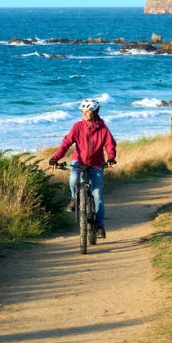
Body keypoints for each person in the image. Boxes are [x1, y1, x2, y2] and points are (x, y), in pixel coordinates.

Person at [48, 98, 117, 238]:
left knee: (98, 195)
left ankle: (100, 226)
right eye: (82, 111)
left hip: (96, 164)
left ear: (95, 112)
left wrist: (110, 157)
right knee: (73, 180)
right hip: (78, 162)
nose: (84, 113)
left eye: (87, 111)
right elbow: (66, 144)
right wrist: (55, 158)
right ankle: (74, 198)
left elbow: (110, 144)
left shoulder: (103, 129)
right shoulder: (77, 126)